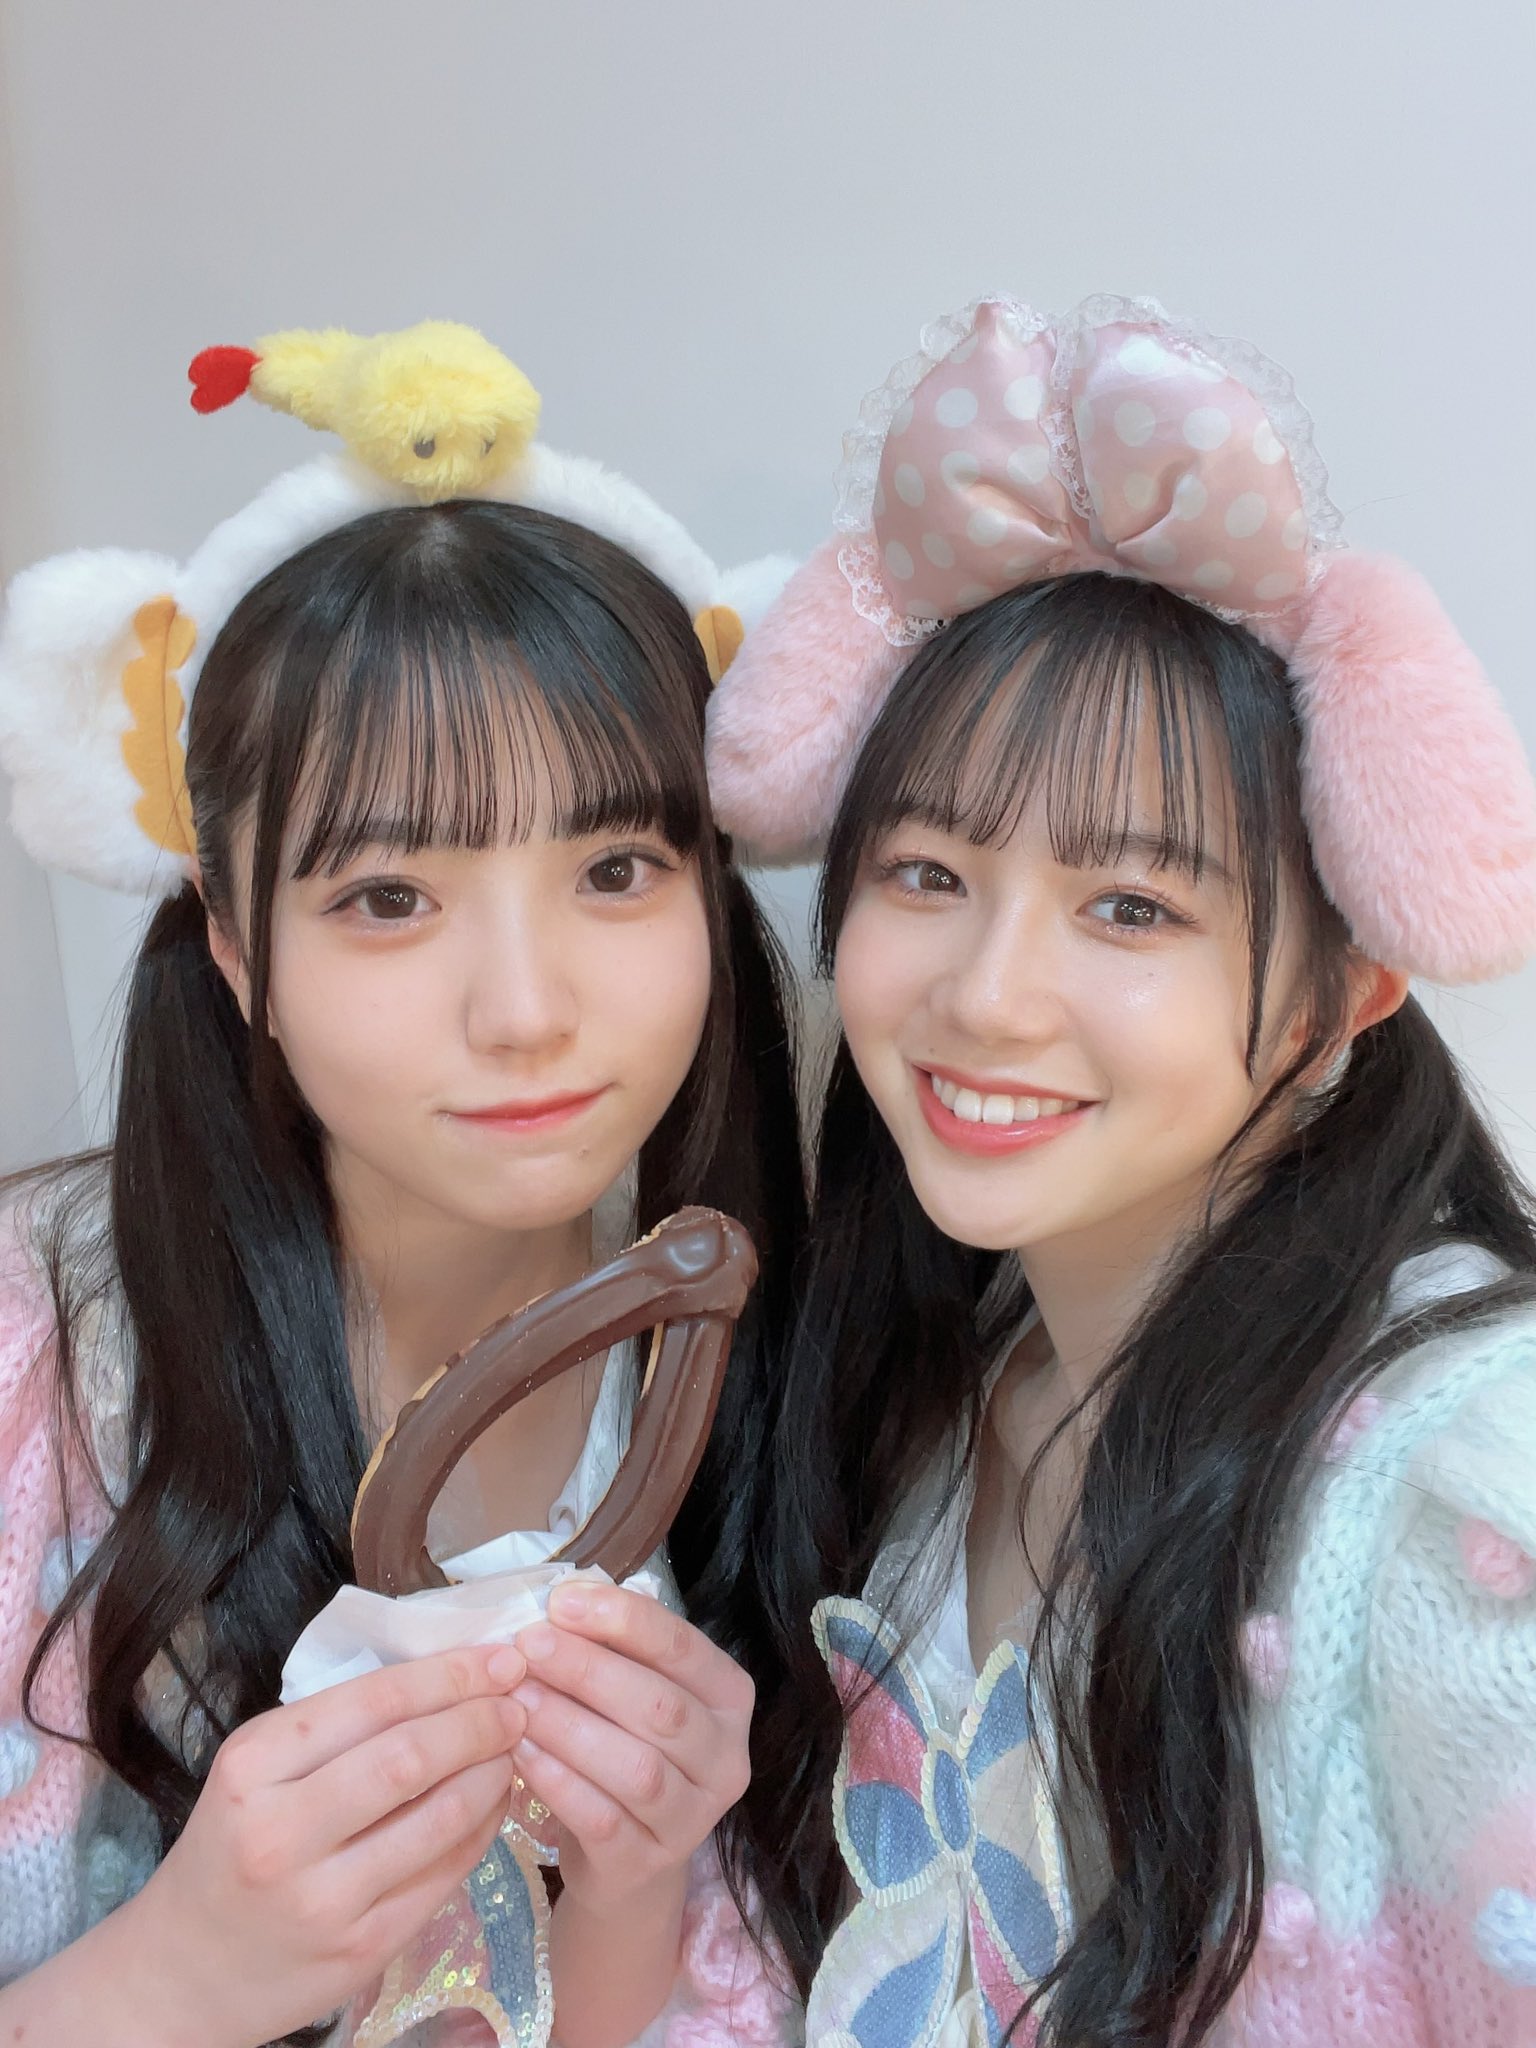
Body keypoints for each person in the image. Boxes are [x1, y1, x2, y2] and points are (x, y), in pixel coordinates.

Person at [706, 293, 1536, 2046]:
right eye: (928, 875)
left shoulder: (1468, 1494)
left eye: (1132, 908)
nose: (987, 996)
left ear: (1346, 992)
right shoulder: (926, 1393)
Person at [0, 323, 803, 2048]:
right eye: (387, 898)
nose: (524, 1010)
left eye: (615, 867)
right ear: (234, 946)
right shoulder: (33, 1373)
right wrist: (172, 1976)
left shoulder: (776, 1372)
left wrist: (637, 1886)